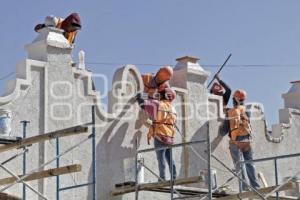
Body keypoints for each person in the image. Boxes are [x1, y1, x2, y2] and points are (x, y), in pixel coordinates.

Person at [136, 88, 177, 181]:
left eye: (160, 94)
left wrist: (141, 96)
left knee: (161, 158)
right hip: (170, 136)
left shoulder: (159, 104)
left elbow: (143, 103)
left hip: (160, 135)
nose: (158, 95)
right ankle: (174, 176)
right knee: (170, 158)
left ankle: (162, 178)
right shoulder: (173, 108)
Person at [223, 89, 260, 191]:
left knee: (239, 165)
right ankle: (256, 186)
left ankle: (245, 187)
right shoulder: (247, 110)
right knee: (250, 164)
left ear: (234, 99)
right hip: (247, 141)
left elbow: (224, 130)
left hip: (236, 142)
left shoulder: (230, 112)